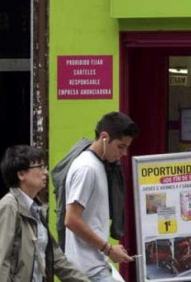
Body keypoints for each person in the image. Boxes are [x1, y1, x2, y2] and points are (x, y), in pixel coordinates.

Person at [0, 145, 89, 282]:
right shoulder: (8, 208)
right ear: (21, 174)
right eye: (40, 167)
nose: (46, 172)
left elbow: (57, 260)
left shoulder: (36, 209)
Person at [64, 112, 139, 281]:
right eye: (120, 146)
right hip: (88, 270)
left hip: (97, 266)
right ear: (104, 137)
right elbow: (71, 219)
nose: (124, 153)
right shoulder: (87, 168)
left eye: (127, 147)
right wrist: (108, 249)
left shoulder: (100, 165)